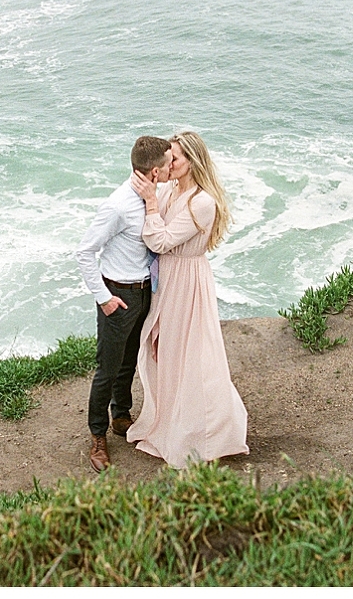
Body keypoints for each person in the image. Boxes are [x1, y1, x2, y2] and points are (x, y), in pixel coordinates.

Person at [125, 130, 248, 467]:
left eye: (175, 157)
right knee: (164, 349)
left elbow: (160, 241)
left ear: (192, 161)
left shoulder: (202, 202)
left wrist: (151, 201)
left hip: (186, 281)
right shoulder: (172, 189)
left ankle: (204, 433)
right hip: (168, 279)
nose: (169, 162)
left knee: (191, 354)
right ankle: (170, 421)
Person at [76, 135, 173, 472]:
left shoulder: (152, 197)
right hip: (118, 293)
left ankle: (121, 413)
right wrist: (104, 298)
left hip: (145, 290)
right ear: (156, 174)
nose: (173, 167)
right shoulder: (117, 206)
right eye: (169, 163)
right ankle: (98, 435)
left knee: (129, 359)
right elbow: (85, 252)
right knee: (107, 368)